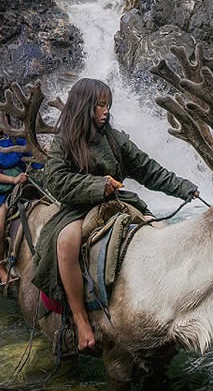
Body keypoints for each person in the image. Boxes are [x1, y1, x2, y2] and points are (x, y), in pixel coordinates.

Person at [31, 78, 199, 350]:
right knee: (65, 244)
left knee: (158, 232)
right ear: (83, 107)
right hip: (79, 208)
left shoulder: (114, 137)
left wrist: (184, 189)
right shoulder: (64, 141)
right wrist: (98, 185)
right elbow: (56, 180)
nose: (105, 111)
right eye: (99, 105)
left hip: (119, 202)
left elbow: (147, 169)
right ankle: (81, 319)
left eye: (107, 105)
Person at [0, 105, 42, 286]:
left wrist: (41, 153)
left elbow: (34, 160)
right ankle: (1, 268)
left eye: (2, 116)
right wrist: (12, 179)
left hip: (24, 187)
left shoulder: (19, 140)